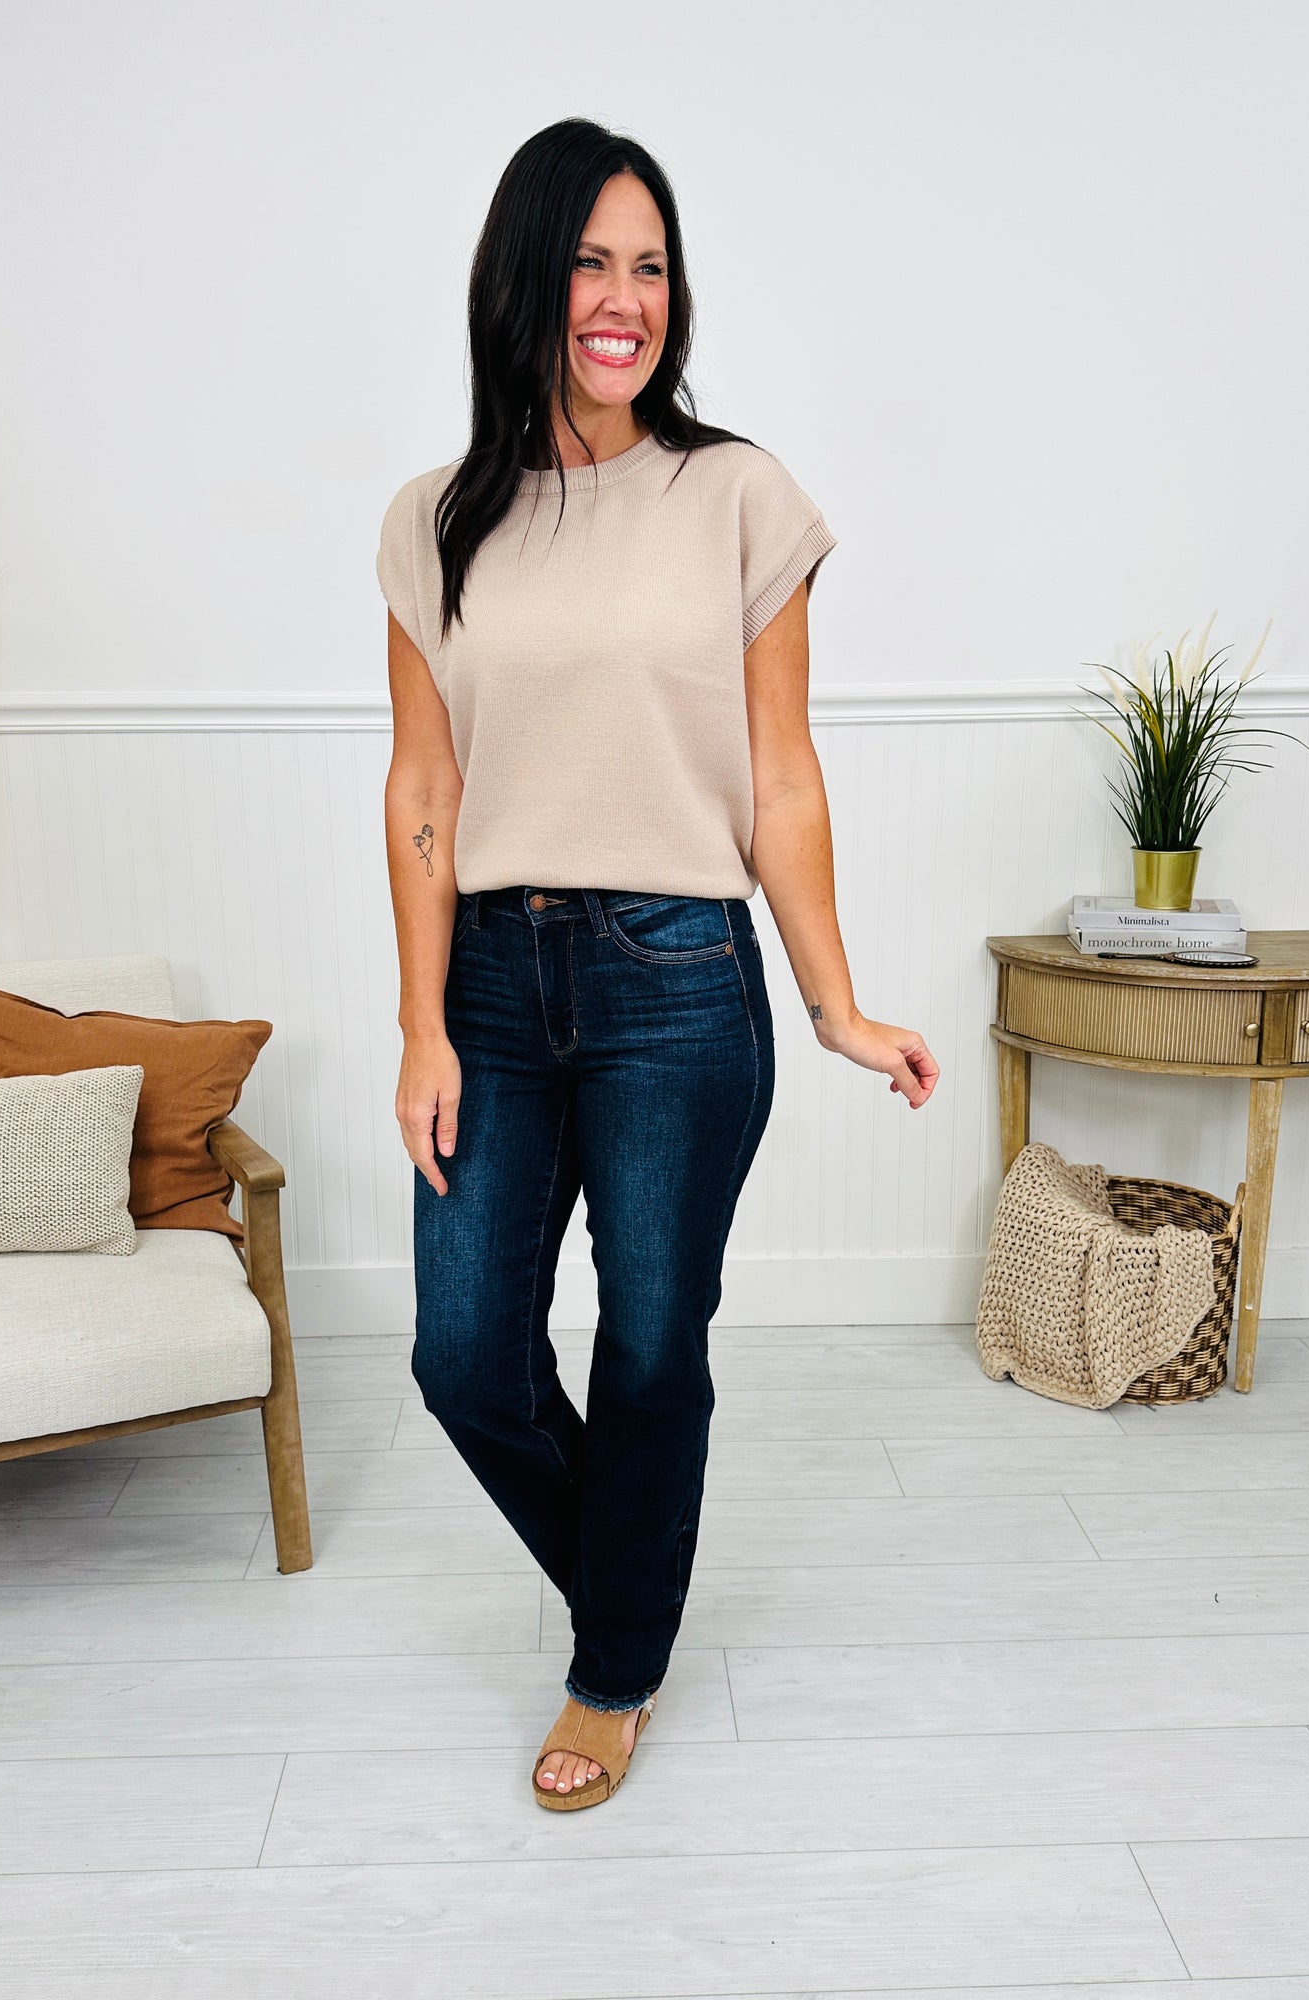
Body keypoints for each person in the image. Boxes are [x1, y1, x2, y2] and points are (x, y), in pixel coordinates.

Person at [377, 117, 939, 1813]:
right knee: (464, 1355)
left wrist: (835, 1000)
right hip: (490, 980)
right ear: (523, 280)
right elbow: (423, 787)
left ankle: (612, 1668)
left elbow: (781, 774)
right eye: (590, 263)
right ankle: (632, 1591)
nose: (624, 300)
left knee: (646, 1345)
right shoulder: (431, 521)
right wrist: (419, 1026)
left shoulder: (736, 496)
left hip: (677, 977)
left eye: (651, 267)